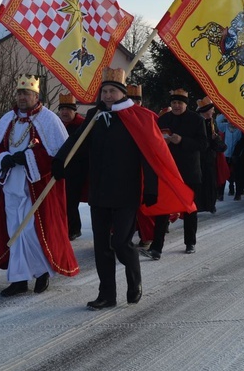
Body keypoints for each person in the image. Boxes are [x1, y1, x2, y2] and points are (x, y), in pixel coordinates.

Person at [52, 68, 194, 309]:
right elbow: (75, 143)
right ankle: (106, 294)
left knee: (120, 243)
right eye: (104, 91)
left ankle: (134, 279)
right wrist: (60, 161)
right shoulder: (94, 118)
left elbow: (149, 154)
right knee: (101, 247)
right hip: (99, 191)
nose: (107, 96)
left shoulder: (137, 118)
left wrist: (151, 188)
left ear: (121, 93)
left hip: (126, 192)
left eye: (112, 91)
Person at [0, 74, 79, 297]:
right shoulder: (7, 120)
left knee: (30, 230)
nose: (22, 97)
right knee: (15, 231)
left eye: (26, 93)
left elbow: (58, 155)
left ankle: (41, 273)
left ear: (36, 95)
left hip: (36, 185)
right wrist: (5, 159)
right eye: (19, 93)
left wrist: (27, 157)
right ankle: (19, 279)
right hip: (11, 184)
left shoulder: (49, 120)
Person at [142, 88, 207, 258]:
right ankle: (156, 248)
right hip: (168, 172)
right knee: (163, 209)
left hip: (189, 171)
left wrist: (182, 141)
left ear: (185, 104)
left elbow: (203, 144)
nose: (176, 106)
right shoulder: (163, 119)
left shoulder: (196, 120)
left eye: (179, 103)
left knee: (190, 209)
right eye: (174, 103)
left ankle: (190, 242)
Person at [57, 92, 86, 241]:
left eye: (68, 109)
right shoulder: (57, 125)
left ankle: (74, 228)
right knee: (61, 199)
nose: (64, 112)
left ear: (74, 111)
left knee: (70, 200)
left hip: (77, 169)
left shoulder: (82, 126)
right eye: (62, 109)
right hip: (60, 167)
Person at [196, 97, 227, 213]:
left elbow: (217, 144)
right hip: (199, 159)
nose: (213, 112)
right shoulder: (197, 122)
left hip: (210, 159)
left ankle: (210, 204)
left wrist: (216, 140)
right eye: (212, 109)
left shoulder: (212, 122)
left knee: (211, 183)